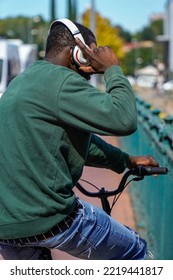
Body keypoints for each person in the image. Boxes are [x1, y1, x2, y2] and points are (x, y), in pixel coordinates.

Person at [0, 18, 158, 260]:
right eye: (91, 53)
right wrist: (112, 69)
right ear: (78, 52)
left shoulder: (24, 80)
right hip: (48, 217)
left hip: (7, 225)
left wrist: (125, 160)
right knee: (134, 251)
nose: (93, 63)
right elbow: (124, 120)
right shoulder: (62, 81)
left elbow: (79, 141)